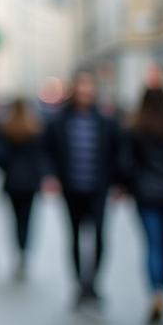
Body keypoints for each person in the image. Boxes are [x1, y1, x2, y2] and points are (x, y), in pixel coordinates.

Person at [45, 71, 121, 312]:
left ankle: (93, 283)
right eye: (81, 86)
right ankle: (79, 284)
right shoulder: (59, 121)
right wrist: (51, 177)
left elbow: (116, 153)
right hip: (71, 188)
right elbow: (48, 152)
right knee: (75, 236)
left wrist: (118, 182)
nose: (85, 91)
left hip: (98, 188)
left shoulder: (106, 120)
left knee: (99, 236)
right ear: (74, 89)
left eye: (88, 86)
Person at [119, 85, 163, 325]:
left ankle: (155, 291)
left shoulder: (135, 128)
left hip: (146, 195)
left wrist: (131, 185)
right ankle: (161, 290)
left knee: (152, 245)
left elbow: (126, 164)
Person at [0, 98, 48, 281]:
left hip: (12, 181)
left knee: (15, 220)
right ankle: (24, 252)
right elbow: (41, 157)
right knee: (27, 218)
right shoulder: (35, 128)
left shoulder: (4, 128)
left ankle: (18, 251)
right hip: (30, 182)